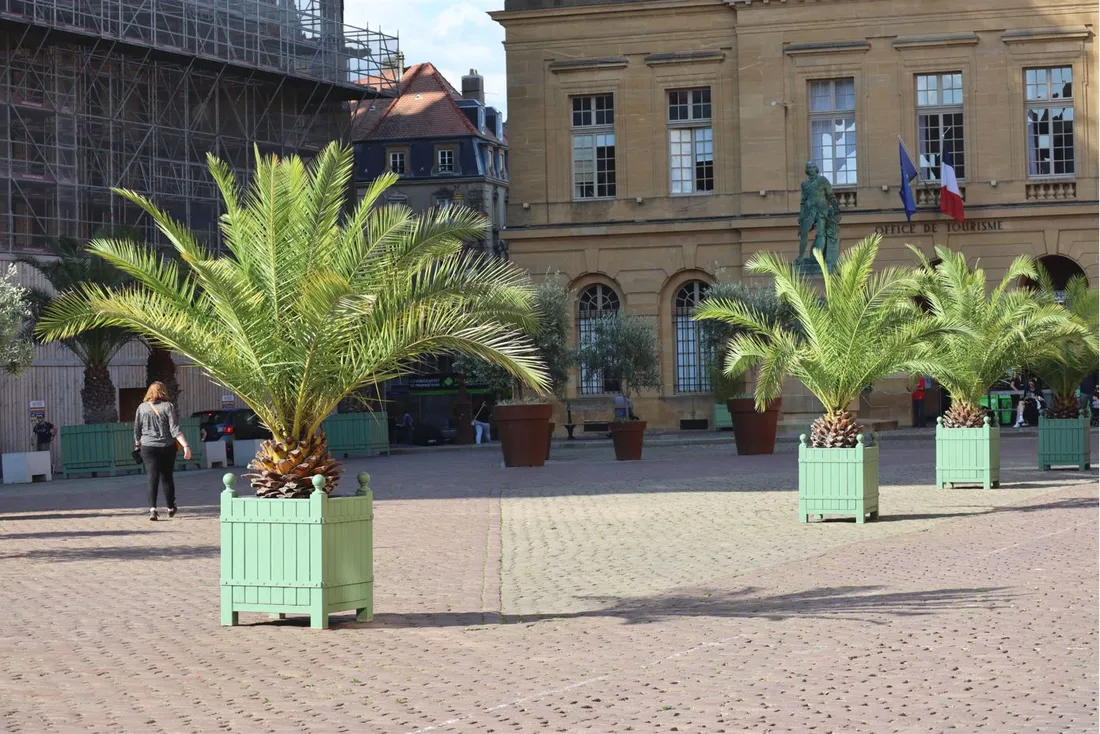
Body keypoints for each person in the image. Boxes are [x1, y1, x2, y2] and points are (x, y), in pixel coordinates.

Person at [133, 381, 191, 521]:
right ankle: (170, 507)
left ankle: (152, 509)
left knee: (152, 477)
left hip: (148, 447)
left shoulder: (142, 408)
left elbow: (137, 429)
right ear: (163, 391)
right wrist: (185, 446)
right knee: (167, 477)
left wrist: (137, 444)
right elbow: (175, 429)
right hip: (167, 446)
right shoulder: (168, 406)